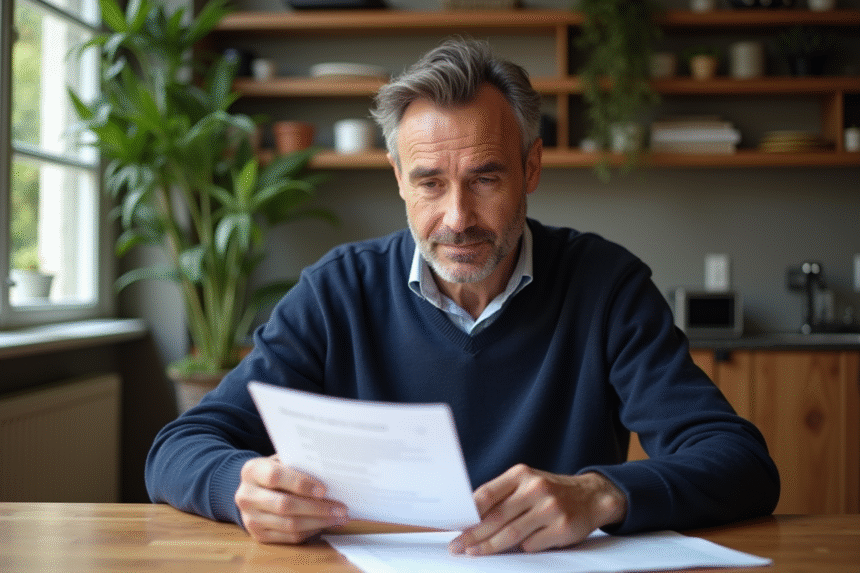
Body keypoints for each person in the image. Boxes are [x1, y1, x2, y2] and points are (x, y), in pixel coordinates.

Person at [145, 38, 779, 556]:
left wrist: (601, 493)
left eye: (485, 178)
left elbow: (740, 463)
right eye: (429, 182)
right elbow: (178, 448)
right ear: (398, 179)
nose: (457, 218)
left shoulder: (606, 286)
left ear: (531, 168)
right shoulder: (338, 290)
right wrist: (240, 486)